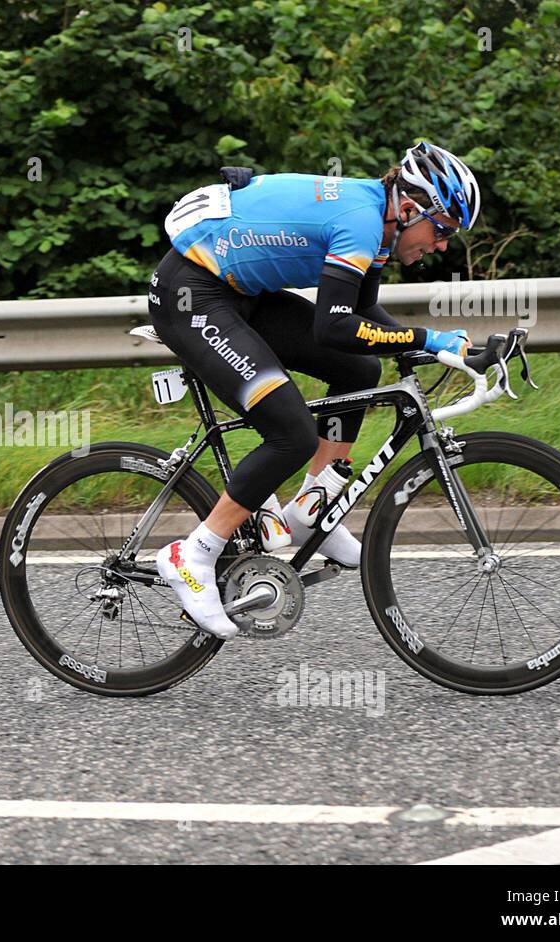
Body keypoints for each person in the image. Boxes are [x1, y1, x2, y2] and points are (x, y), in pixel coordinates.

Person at [151, 141, 480, 637]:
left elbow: (361, 313)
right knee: (292, 434)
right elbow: (332, 327)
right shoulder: (362, 223)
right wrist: (428, 338)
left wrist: (426, 349)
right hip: (193, 294)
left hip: (241, 293)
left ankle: (309, 511)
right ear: (411, 208)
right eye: (443, 231)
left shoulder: (382, 226)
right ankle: (190, 555)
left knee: (359, 371)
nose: (441, 246)